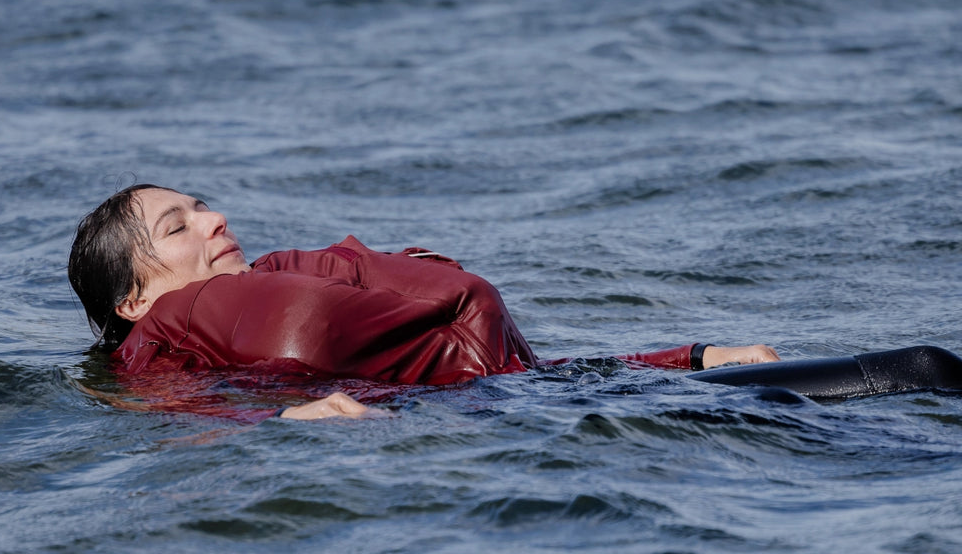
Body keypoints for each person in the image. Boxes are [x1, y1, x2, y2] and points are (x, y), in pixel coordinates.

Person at [68, 184, 962, 419]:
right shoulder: (165, 345)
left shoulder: (228, 317)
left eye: (203, 203)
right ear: (137, 295)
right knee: (918, 374)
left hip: (551, 406)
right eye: (178, 223)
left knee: (916, 374)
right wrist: (280, 430)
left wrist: (683, 358)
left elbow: (504, 373)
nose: (214, 218)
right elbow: (185, 418)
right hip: (507, 433)